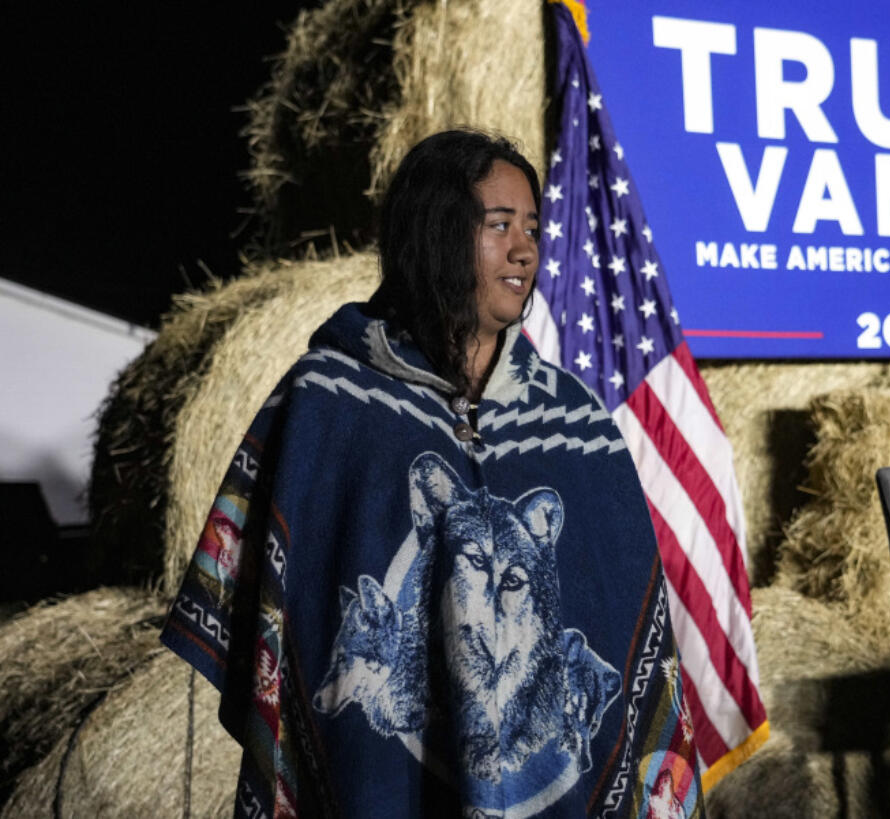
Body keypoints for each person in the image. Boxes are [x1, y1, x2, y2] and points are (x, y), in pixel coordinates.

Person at [161, 129, 704, 818]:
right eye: (499, 224)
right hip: (378, 786)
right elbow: (277, 597)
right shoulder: (329, 402)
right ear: (438, 233)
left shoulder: (578, 426)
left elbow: (627, 628)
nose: (525, 249)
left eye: (532, 228)